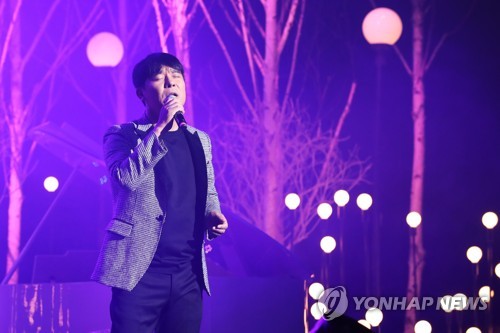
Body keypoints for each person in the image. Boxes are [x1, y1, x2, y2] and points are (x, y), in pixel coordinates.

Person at [92, 52, 228, 333]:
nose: (171, 84)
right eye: (159, 79)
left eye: (176, 77)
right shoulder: (122, 135)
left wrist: (212, 212)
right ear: (142, 93)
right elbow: (125, 179)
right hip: (139, 271)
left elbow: (208, 189)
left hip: (187, 272)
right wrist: (160, 127)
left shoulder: (200, 140)